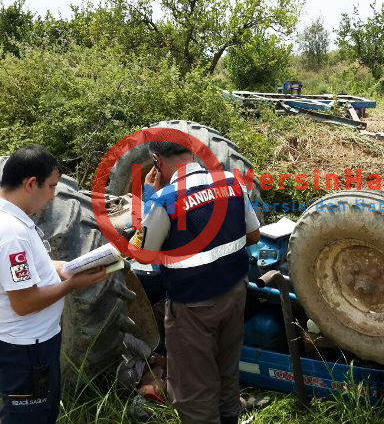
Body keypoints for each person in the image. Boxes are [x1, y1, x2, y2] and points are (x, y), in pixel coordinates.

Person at [129, 137, 260, 424]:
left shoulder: (165, 199)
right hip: (235, 293)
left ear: (157, 162)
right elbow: (253, 235)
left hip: (192, 307)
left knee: (193, 389)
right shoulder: (231, 181)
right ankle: (230, 415)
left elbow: (142, 254)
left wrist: (148, 199)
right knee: (226, 368)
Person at [0, 145, 108, 424]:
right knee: (29, 417)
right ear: (30, 184)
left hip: (34, 344)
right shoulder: (12, 233)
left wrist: (68, 267)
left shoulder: (14, 222)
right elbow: (24, 303)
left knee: (42, 413)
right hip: (27, 350)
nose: (52, 195)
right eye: (51, 186)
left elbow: (34, 269)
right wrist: (74, 284)